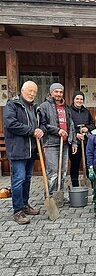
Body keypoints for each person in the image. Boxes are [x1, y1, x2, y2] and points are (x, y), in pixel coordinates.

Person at [4, 81, 44, 224]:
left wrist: (40, 130)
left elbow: (41, 125)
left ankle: (25, 205)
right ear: (22, 90)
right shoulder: (12, 105)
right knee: (18, 179)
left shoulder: (35, 107)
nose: (32, 93)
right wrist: (32, 130)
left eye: (34, 91)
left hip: (31, 149)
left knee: (27, 179)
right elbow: (11, 124)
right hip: (18, 150)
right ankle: (17, 211)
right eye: (29, 91)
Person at [39, 83, 77, 196]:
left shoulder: (66, 107)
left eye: (60, 92)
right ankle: (50, 195)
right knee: (53, 172)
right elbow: (42, 124)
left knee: (63, 171)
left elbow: (71, 126)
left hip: (65, 144)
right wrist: (57, 131)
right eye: (56, 91)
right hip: (51, 144)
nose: (59, 94)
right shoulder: (44, 106)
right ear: (51, 93)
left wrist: (74, 142)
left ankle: (58, 194)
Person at [69, 91, 95, 187]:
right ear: (74, 100)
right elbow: (67, 127)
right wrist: (76, 134)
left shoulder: (86, 112)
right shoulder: (69, 111)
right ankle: (75, 184)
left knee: (88, 163)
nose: (79, 101)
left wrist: (87, 128)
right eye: (77, 99)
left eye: (81, 99)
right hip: (74, 143)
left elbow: (93, 124)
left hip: (86, 142)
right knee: (75, 164)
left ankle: (89, 182)